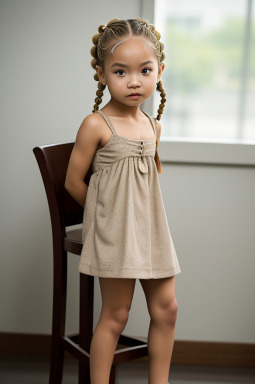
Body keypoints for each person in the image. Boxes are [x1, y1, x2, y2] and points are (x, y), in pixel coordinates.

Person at [65, 17, 181, 384]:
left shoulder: (153, 125)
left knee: (167, 309)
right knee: (116, 314)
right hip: (115, 234)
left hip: (151, 232)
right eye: (120, 71)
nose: (134, 81)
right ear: (101, 74)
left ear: (159, 70)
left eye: (144, 70)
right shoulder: (96, 124)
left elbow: (143, 188)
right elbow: (72, 182)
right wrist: (106, 219)